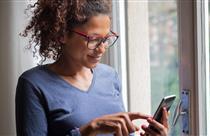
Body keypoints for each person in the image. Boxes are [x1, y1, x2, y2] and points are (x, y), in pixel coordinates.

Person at [15, 0, 169, 136]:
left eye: (106, 39)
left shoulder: (109, 76)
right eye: (94, 39)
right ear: (61, 35)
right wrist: (89, 130)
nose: (102, 49)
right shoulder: (34, 84)